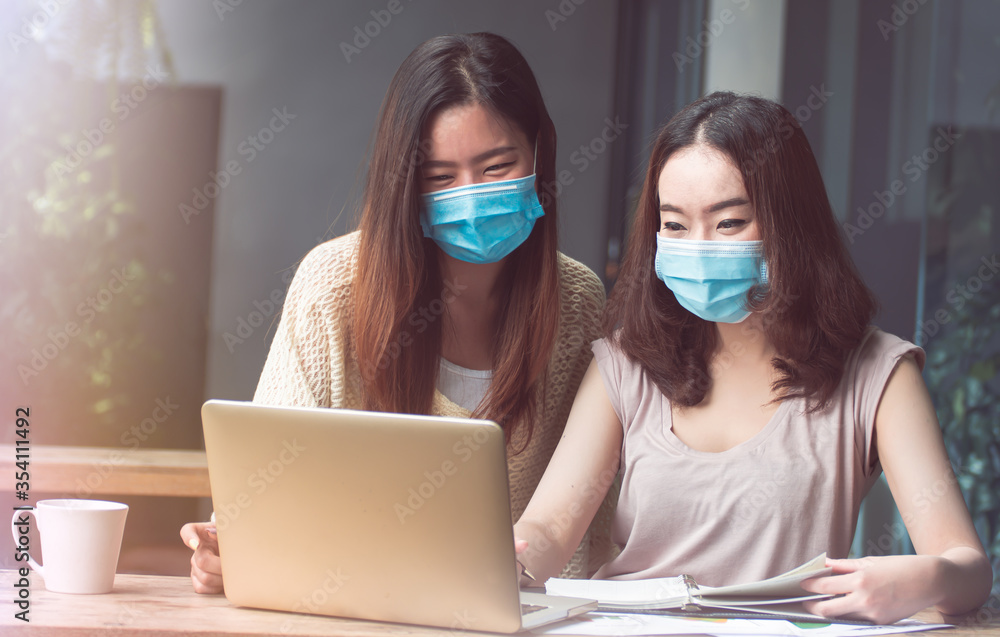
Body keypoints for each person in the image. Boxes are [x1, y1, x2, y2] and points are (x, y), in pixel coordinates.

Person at [513, 91, 992, 624]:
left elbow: (967, 568)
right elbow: (550, 530)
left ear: (791, 225)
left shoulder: (878, 372)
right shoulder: (626, 364)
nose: (698, 245)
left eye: (729, 223)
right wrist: (512, 558)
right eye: (674, 225)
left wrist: (926, 578)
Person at [181, 32, 616, 594]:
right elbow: (264, 489)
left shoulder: (578, 301)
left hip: (515, 617)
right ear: (405, 184)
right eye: (440, 177)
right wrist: (231, 551)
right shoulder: (335, 287)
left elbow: (585, 527)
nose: (471, 195)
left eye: (497, 166)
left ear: (539, 152)